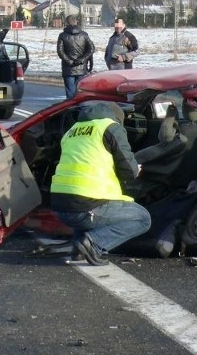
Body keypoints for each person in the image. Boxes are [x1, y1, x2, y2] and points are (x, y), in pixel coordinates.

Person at [50, 102, 151, 265]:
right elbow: (129, 171)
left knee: (84, 199)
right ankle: (93, 244)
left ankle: (79, 251)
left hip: (60, 206)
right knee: (143, 218)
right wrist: (136, 169)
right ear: (117, 118)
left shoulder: (72, 131)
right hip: (85, 206)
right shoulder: (110, 127)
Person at [56, 15, 95, 99]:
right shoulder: (84, 35)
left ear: (66, 23)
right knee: (81, 92)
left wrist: (69, 61)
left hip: (68, 68)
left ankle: (72, 110)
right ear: (76, 22)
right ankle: (80, 110)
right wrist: (82, 60)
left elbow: (60, 52)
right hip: (82, 68)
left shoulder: (62, 35)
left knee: (70, 93)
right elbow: (91, 49)